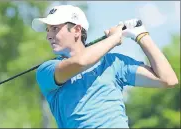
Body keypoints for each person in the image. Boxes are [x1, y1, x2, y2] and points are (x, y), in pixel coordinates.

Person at [32, 5, 178, 128]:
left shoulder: (114, 63)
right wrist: (114, 39)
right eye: (48, 30)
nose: (48, 36)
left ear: (77, 30)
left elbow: (168, 79)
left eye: (55, 29)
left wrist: (141, 35)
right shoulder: (47, 70)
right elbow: (80, 62)